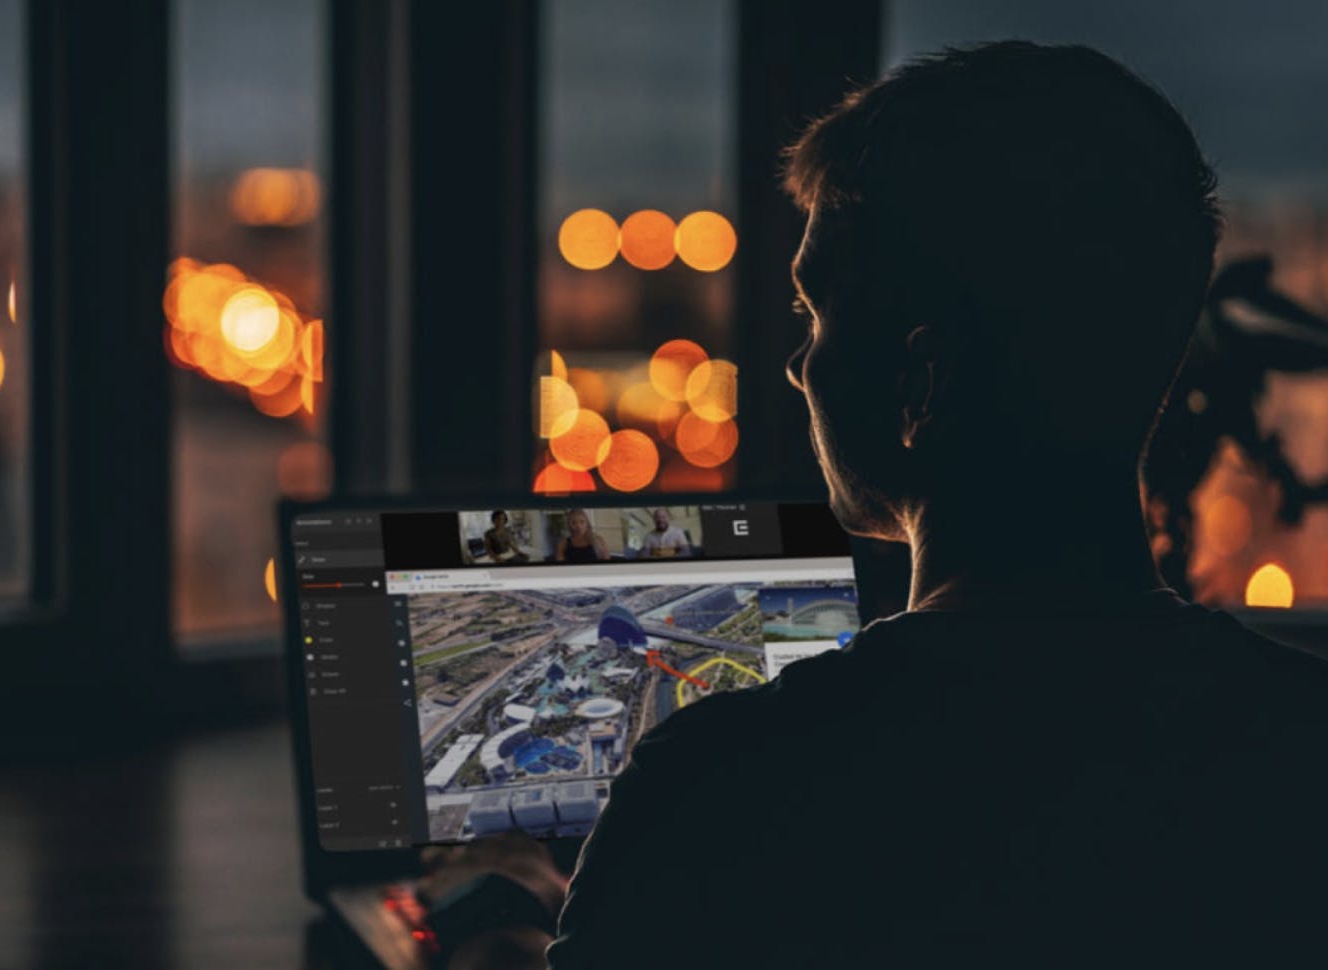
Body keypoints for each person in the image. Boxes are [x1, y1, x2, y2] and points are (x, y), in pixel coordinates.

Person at [428, 42, 1328, 967]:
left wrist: (496, 929)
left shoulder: (723, 784)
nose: (796, 365)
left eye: (817, 317)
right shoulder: (1303, 746)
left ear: (920, 381)